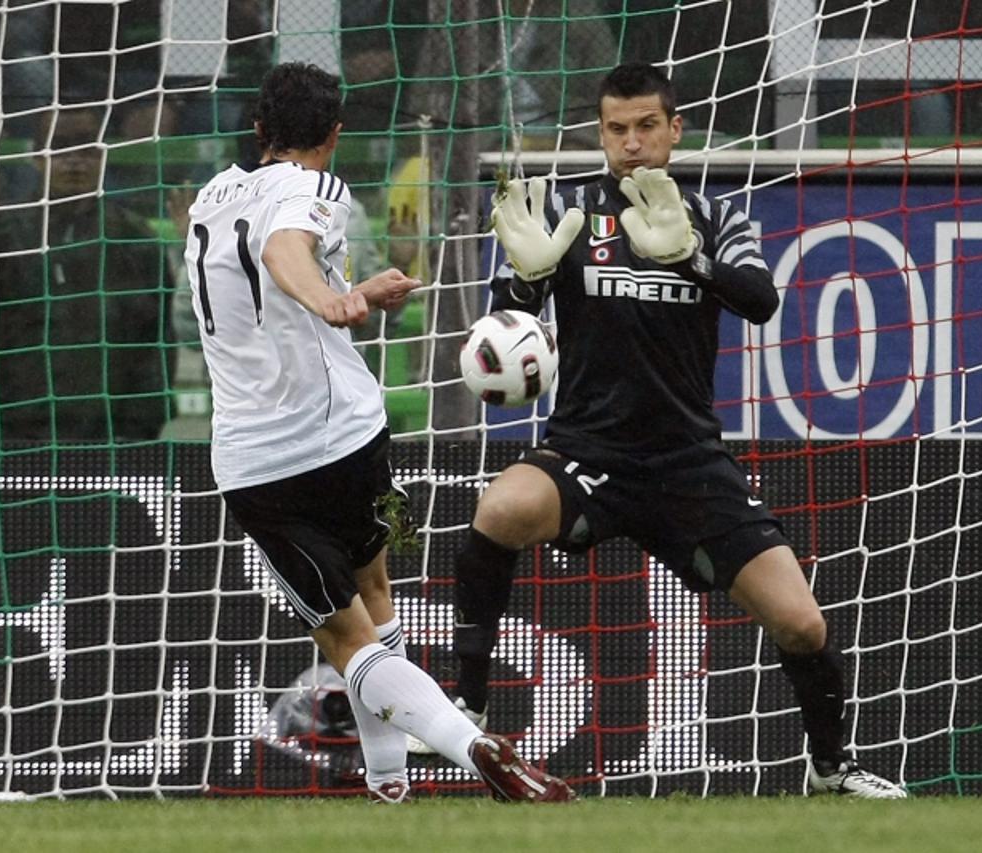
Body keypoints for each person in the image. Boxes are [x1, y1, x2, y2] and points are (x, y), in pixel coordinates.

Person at [442, 62, 907, 798]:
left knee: (802, 625)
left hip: (688, 461)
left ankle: (831, 769)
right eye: (616, 129)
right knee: (499, 509)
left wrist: (688, 258)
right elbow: (508, 326)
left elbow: (760, 300)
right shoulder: (564, 212)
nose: (631, 143)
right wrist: (525, 277)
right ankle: (467, 708)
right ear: (601, 133)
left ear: (674, 129)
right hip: (587, 450)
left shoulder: (716, 218)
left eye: (646, 127)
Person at [183, 61, 573, 804]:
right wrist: (332, 301)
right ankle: (450, 753)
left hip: (256, 464)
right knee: (375, 592)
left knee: (345, 636)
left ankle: (398, 779)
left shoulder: (210, 198)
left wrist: (351, 293)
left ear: (259, 129)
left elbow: (259, 290)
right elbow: (283, 251)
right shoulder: (317, 186)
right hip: (347, 438)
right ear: (335, 134)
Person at [0, 107, 175, 442]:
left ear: (103, 156)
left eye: (87, 149)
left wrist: (136, 434)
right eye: (61, 148)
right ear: (37, 157)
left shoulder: (134, 238)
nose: (74, 161)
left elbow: (156, 344)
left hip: (109, 443)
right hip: (1, 442)